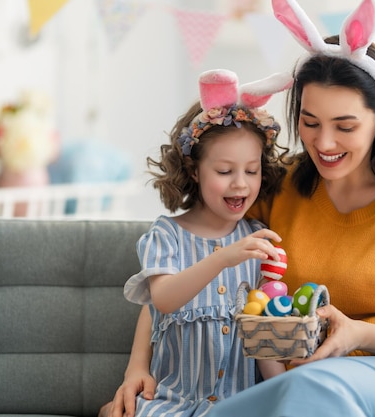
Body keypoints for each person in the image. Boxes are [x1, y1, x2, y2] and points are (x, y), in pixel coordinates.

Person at [101, 0, 375, 416]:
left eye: (345, 126)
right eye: (310, 122)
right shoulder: (277, 189)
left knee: (313, 388)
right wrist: (137, 368)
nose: (324, 144)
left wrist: (358, 334)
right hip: (301, 388)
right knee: (299, 393)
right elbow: (182, 261)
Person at [120, 68, 293, 417]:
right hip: (172, 402)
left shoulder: (256, 238)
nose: (240, 184)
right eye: (225, 172)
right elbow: (163, 300)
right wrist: (223, 259)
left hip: (238, 405)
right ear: (195, 170)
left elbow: (261, 333)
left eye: (252, 170)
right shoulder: (166, 235)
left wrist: (285, 394)